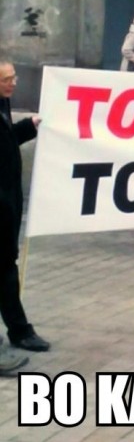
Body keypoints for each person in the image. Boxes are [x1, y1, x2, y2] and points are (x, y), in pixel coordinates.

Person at [0, 60, 51, 355]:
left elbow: (6, 143)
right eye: (7, 79)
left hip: (8, 203)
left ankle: (19, 330)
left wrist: (29, 126)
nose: (14, 82)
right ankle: (20, 331)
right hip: (1, 207)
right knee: (6, 270)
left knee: (5, 270)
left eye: (14, 77)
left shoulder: (3, 104)